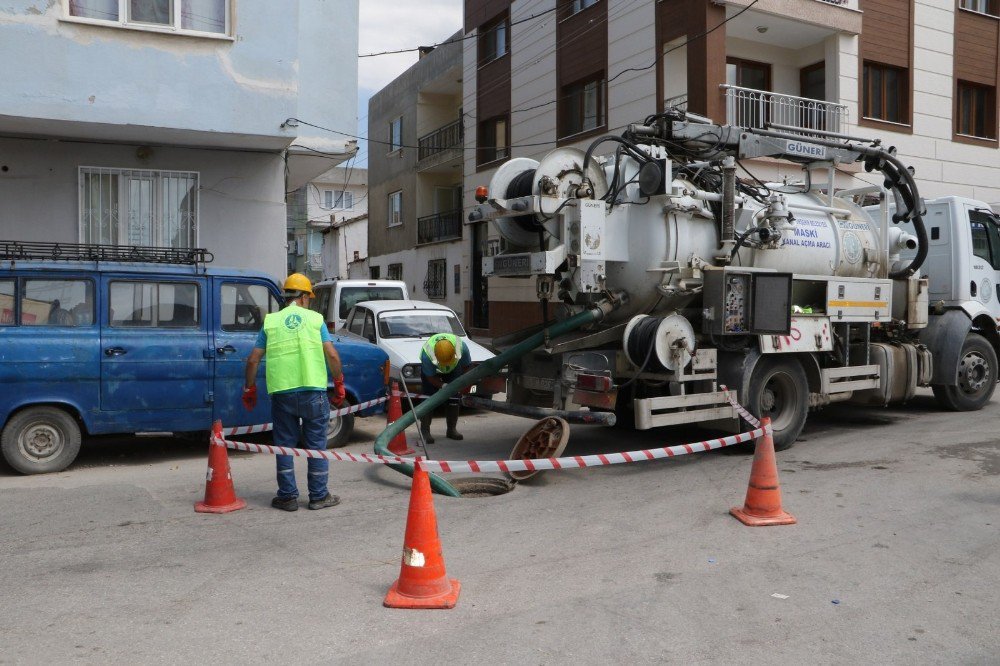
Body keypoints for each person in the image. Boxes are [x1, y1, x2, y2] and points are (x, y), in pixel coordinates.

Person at [242, 273, 346, 512]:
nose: (309, 301)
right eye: (309, 297)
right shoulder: (315, 320)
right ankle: (319, 496)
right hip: (313, 393)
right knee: (316, 445)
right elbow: (332, 355)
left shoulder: (272, 322)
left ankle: (287, 497)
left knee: (284, 445)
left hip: (282, 394)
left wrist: (249, 389)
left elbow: (253, 359)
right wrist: (339, 382)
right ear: (302, 297)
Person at [418, 332, 472, 443]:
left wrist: (462, 383)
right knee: (428, 398)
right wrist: (443, 385)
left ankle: (451, 429)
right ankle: (425, 430)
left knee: (454, 398)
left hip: (454, 369)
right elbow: (430, 377)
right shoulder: (427, 354)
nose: (445, 364)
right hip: (432, 373)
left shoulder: (461, 347)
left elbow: (467, 367)